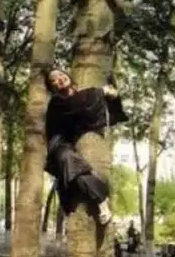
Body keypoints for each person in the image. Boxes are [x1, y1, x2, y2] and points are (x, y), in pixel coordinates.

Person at [44, 67, 128, 225]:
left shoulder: (80, 100)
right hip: (59, 147)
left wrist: (114, 97)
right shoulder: (57, 103)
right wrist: (101, 91)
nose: (59, 78)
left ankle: (100, 201)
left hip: (73, 150)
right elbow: (76, 103)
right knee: (69, 161)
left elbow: (99, 113)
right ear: (53, 88)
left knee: (76, 171)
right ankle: (102, 200)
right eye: (54, 80)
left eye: (61, 74)